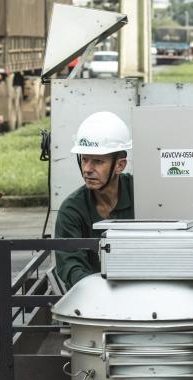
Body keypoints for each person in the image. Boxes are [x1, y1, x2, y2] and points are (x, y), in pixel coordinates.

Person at [54, 111, 134, 288]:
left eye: (98, 161)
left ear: (120, 165)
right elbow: (70, 265)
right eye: (84, 160)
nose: (87, 169)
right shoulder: (71, 210)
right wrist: (100, 292)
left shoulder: (142, 195)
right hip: (92, 303)